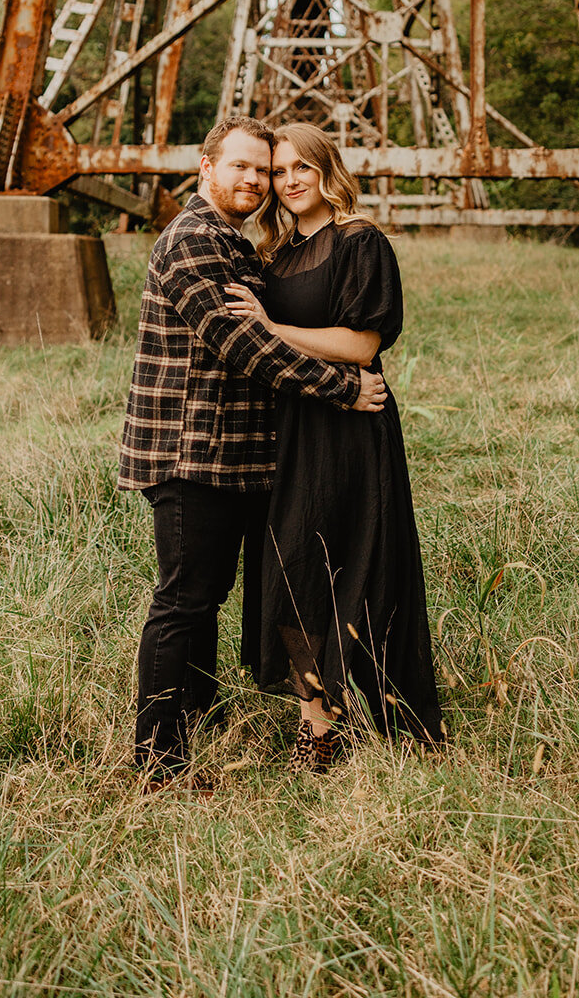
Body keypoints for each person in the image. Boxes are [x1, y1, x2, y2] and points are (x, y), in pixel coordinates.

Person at [118, 115, 387, 787]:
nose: (256, 180)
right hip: (191, 454)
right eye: (241, 166)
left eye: (264, 170)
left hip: (241, 457)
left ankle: (200, 716)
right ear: (205, 166)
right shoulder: (193, 243)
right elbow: (243, 345)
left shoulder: (237, 243)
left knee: (215, 597)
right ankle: (157, 757)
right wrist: (343, 388)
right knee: (184, 600)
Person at [228, 121, 442, 771]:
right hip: (291, 428)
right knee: (293, 569)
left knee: (359, 562)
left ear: (327, 172)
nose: (288, 181)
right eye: (277, 171)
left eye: (302, 168)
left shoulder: (360, 243)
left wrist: (270, 325)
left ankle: (392, 715)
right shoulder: (274, 253)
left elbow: (362, 346)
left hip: (350, 427)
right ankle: (318, 725)